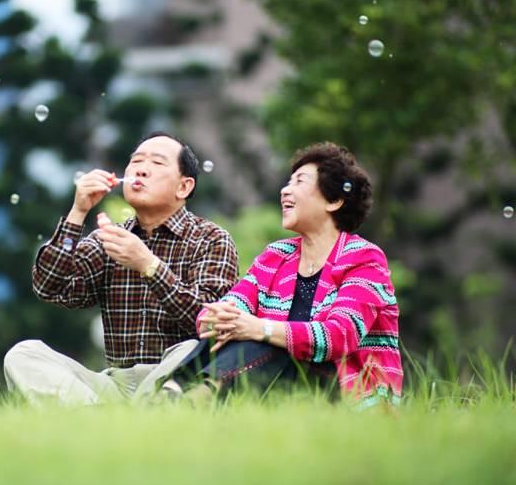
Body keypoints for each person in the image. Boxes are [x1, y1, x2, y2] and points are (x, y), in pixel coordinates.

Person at [4, 132, 239, 405]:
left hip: (176, 376)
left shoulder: (211, 239)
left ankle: (131, 418)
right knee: (24, 354)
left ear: (184, 187)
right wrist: (78, 212)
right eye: (136, 161)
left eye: (157, 163)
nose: (141, 168)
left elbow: (209, 322)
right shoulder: (110, 238)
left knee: (188, 349)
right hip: (115, 383)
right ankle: (102, 420)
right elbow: (50, 287)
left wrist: (148, 265)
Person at [163, 142, 402, 408]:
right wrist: (217, 318)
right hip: (273, 381)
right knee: (238, 330)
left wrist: (260, 328)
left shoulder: (365, 258)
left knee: (272, 339)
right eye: (288, 181)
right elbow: (227, 306)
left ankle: (199, 396)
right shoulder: (277, 255)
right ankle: (172, 392)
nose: (285, 190)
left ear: (334, 200)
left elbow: (339, 337)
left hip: (346, 390)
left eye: (299, 181)